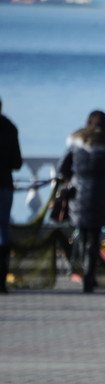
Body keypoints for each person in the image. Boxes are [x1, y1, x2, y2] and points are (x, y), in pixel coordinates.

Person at [58, 110, 105, 293]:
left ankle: (81, 272)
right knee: (94, 239)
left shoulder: (76, 142)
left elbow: (62, 168)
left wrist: (71, 180)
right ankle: (89, 276)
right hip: (100, 193)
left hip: (77, 193)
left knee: (82, 234)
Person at [0, 97, 23, 294]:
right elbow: (17, 162)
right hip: (4, 185)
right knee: (3, 231)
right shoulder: (9, 128)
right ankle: (2, 279)